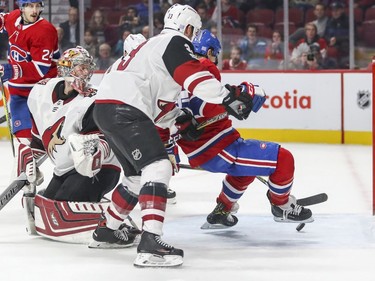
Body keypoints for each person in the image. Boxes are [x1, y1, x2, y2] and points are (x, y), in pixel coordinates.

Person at [92, 4, 253, 267]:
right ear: (188, 27)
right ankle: (151, 244)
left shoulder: (151, 48)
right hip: (126, 108)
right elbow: (194, 78)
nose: (193, 38)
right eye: (194, 31)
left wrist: (178, 119)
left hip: (106, 108)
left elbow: (159, 106)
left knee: (135, 176)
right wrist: (228, 97)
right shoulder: (174, 41)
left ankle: (107, 230)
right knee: (158, 166)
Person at [174, 29, 313, 229]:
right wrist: (237, 96)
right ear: (210, 51)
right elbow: (207, 105)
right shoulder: (204, 66)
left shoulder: (180, 72)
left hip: (204, 148)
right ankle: (282, 206)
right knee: (284, 158)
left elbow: (190, 109)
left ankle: (222, 210)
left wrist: (231, 99)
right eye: (215, 54)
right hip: (217, 149)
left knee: (246, 170)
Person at [18, 46, 139, 246]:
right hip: (64, 168)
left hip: (100, 170)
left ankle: (118, 226)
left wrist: (96, 151)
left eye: (87, 68)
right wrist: (30, 162)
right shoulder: (41, 92)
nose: (86, 73)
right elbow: (39, 138)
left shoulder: (92, 100)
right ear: (65, 69)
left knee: (64, 204)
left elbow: (107, 138)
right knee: (48, 203)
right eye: (80, 68)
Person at [0, 0, 60, 145]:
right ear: (21, 8)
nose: (34, 11)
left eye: (37, 6)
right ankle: (30, 167)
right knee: (24, 141)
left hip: (41, 92)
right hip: (18, 91)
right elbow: (4, 19)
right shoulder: (14, 17)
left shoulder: (45, 30)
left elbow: (41, 68)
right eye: (30, 6)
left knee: (45, 142)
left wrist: (12, 70)